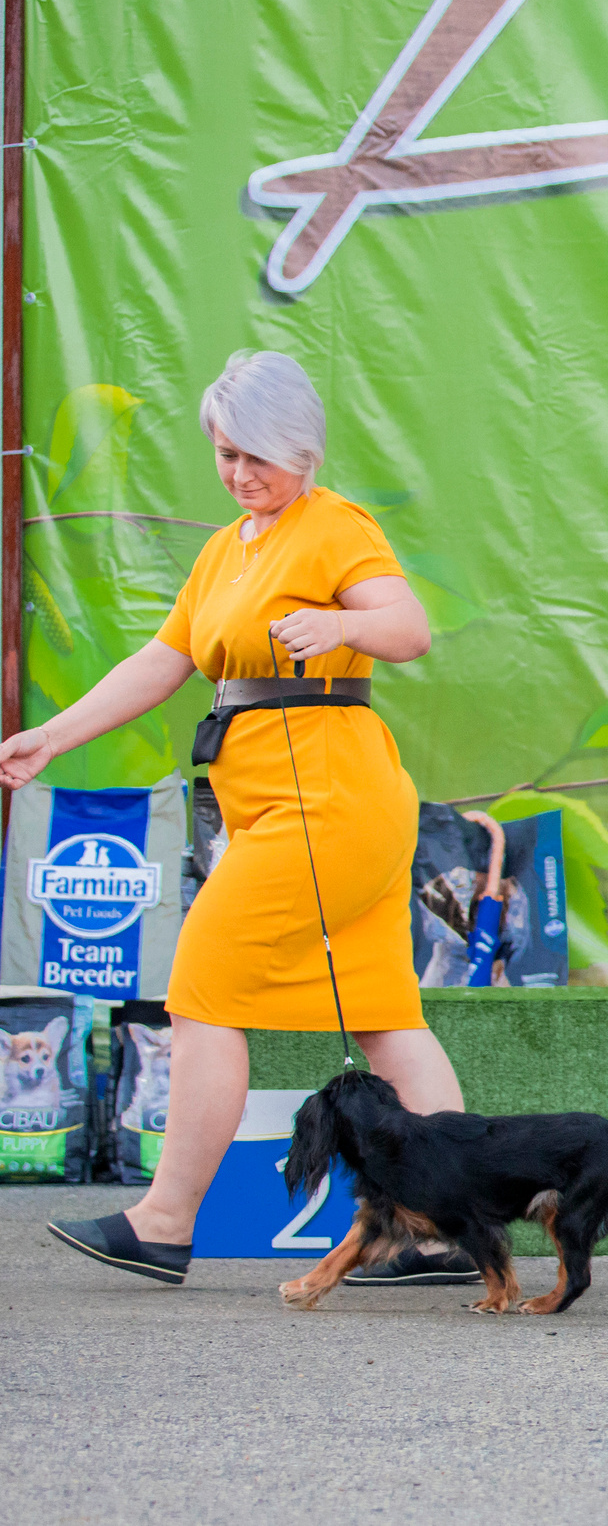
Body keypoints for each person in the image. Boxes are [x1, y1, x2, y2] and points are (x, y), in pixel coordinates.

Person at [8, 351, 472, 1288]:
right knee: (385, 1015)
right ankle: (446, 1232)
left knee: (202, 994)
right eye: (225, 454)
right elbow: (163, 661)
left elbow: (410, 628)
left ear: (302, 447)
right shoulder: (230, 548)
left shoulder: (336, 525)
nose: (240, 473)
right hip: (288, 810)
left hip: (329, 803)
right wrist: (50, 736)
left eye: (257, 455)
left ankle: (166, 1220)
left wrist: (341, 628)